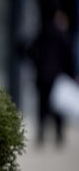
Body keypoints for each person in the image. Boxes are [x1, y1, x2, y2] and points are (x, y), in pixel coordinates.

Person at [28, 10, 75, 146]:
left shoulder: (42, 35)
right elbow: (68, 59)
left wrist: (37, 65)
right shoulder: (62, 36)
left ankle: (41, 134)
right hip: (57, 77)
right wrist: (72, 76)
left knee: (42, 106)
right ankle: (58, 135)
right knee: (58, 106)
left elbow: (31, 51)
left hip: (43, 76)